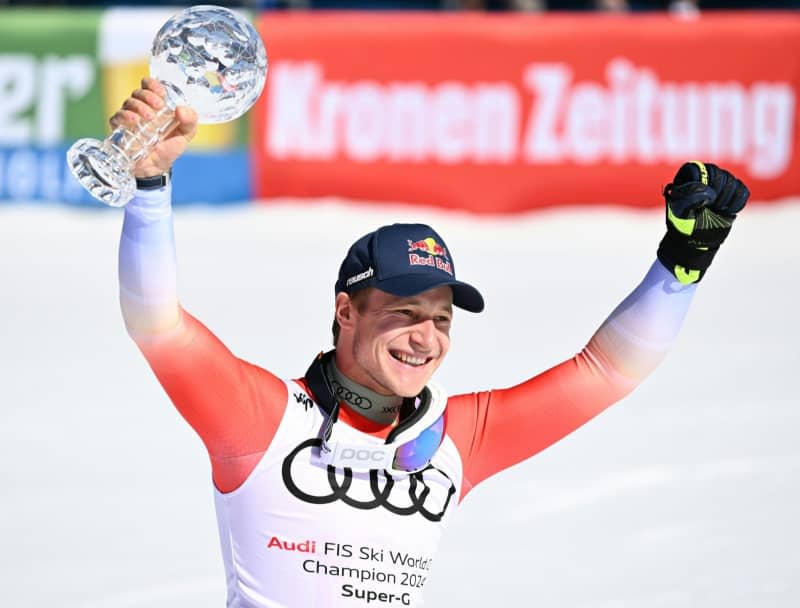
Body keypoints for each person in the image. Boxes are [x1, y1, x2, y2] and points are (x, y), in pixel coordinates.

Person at [114, 77, 749, 607]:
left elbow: (606, 371)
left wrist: (681, 263)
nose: (427, 339)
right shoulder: (261, 417)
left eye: (442, 319)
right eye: (404, 312)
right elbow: (157, 324)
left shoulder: (456, 439)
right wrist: (149, 190)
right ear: (346, 312)